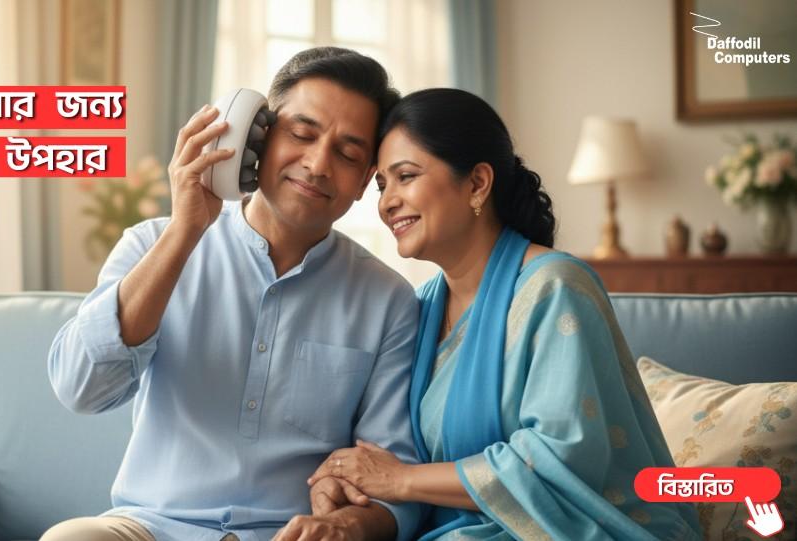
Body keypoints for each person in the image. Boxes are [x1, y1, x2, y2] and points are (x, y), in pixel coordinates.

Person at [42, 47, 422, 541]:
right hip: (151, 527)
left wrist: (343, 526)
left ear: (364, 182)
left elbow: (392, 478)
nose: (317, 164)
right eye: (302, 135)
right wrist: (183, 233)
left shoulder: (388, 300)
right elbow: (81, 388)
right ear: (256, 138)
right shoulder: (148, 244)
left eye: (348, 154)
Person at [307, 88, 703, 540]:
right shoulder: (418, 307)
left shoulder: (555, 287)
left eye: (406, 176)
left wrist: (401, 480)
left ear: (477, 183)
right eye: (382, 185)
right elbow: (389, 446)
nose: (386, 202)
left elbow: (559, 456)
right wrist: (344, 478)